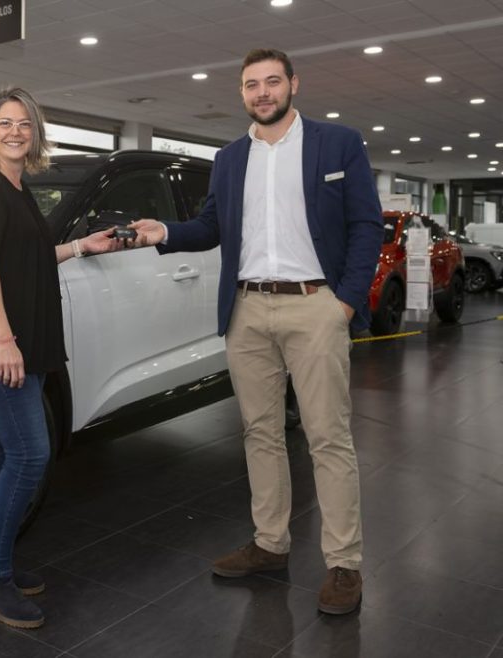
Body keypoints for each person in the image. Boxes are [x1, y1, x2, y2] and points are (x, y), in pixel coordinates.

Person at [129, 48, 383, 615]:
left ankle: (344, 563)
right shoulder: (228, 157)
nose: (262, 92)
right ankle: (270, 543)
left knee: (327, 437)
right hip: (247, 310)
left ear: (294, 84)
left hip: (315, 305)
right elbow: (212, 226)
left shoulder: (337, 144)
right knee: (260, 434)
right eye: (251, 85)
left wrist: (344, 302)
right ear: (241, 93)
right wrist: (163, 230)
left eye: (272, 81)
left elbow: (365, 223)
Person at [0, 87, 120, 629]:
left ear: (35, 133)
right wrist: (3, 339)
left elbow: (32, 256)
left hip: (27, 342)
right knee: (29, 456)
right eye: (4, 123)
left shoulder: (19, 189)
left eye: (24, 123)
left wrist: (83, 246)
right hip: (1, 345)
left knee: (1, 452)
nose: (15, 131)